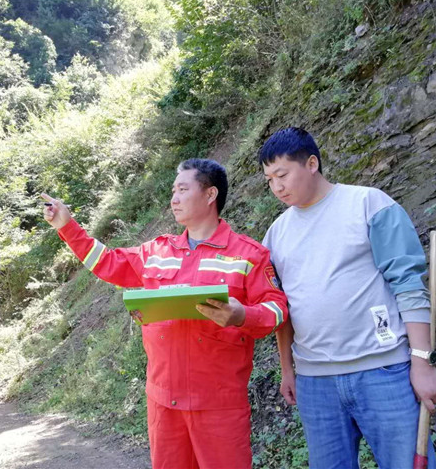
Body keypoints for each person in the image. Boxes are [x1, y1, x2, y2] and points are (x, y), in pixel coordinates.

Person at [42, 158, 288, 468]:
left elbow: (277, 309)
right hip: (163, 404)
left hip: (219, 405)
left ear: (210, 194)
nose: (174, 199)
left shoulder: (248, 255)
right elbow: (106, 262)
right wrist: (67, 226)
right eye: (173, 191)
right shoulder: (157, 252)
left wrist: (242, 316)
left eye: (183, 190)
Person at [259, 127, 436, 469]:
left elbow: (407, 283)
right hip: (315, 382)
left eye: (282, 175)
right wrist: (288, 369)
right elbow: (281, 309)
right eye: (269, 180)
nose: (277, 187)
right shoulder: (275, 235)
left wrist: (423, 362)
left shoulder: (368, 204)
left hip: (383, 370)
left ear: (311, 163)